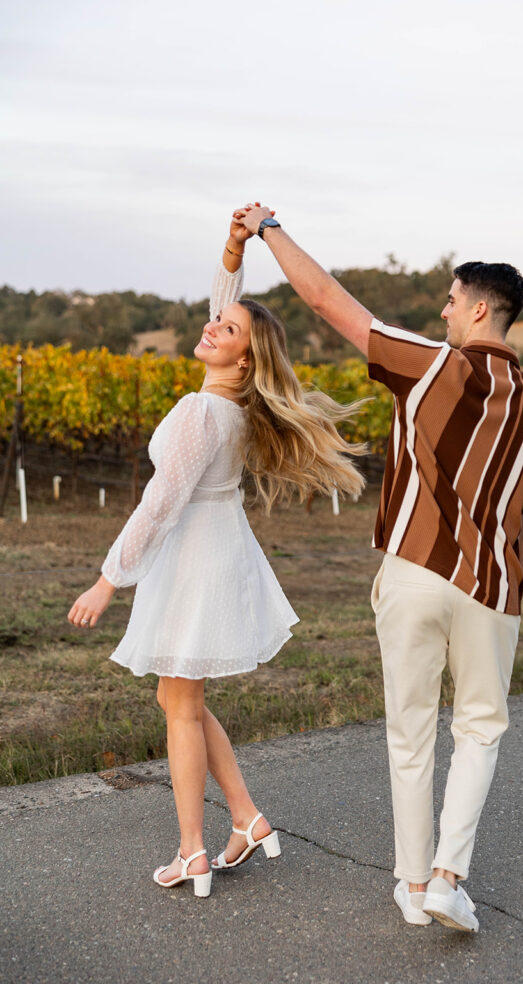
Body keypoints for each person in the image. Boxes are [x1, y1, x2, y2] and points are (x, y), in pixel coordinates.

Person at [236, 204, 523, 931]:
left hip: (412, 570)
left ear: (479, 307)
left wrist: (269, 227)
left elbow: (325, 301)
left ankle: (413, 887)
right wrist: (508, 588)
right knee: (478, 730)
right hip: (492, 589)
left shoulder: (431, 365)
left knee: (409, 729)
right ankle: (448, 877)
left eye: (449, 300)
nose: (442, 312)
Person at [67, 210, 365, 899]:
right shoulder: (223, 402)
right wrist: (235, 247)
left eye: (226, 330)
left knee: (178, 703)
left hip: (195, 558)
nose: (211, 327)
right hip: (209, 551)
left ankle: (193, 851)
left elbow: (160, 502)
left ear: (245, 357)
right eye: (217, 321)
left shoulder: (205, 413)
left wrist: (107, 581)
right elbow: (224, 311)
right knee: (184, 698)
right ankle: (246, 818)